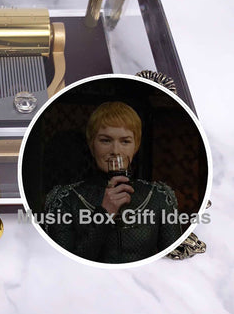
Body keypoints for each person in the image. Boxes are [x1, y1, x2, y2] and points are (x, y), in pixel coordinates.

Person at [43, 101, 183, 264]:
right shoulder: (66, 199)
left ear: (136, 146)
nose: (115, 151)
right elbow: (61, 266)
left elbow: (176, 263)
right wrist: (104, 214)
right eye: (105, 140)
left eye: (125, 141)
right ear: (92, 144)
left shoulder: (158, 197)